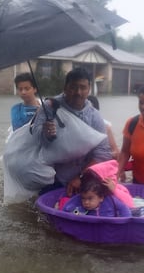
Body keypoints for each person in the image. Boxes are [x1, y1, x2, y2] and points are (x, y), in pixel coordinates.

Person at [32, 67, 112, 196]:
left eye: (83, 87)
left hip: (82, 178)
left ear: (89, 89)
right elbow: (35, 140)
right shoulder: (50, 106)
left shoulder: (94, 116)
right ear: (65, 88)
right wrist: (45, 134)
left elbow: (103, 153)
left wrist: (81, 177)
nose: (78, 92)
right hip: (51, 177)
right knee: (43, 213)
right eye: (73, 87)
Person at [62, 160, 132, 217]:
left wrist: (124, 221)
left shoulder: (111, 199)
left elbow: (125, 209)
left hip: (109, 226)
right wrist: (77, 214)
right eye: (83, 198)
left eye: (90, 199)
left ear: (101, 197)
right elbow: (67, 208)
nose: (86, 202)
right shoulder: (80, 198)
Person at [87, 95, 120, 159]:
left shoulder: (105, 126)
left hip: (99, 163)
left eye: (91, 110)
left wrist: (105, 155)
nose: (88, 113)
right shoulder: (76, 126)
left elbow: (116, 152)